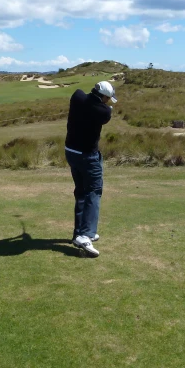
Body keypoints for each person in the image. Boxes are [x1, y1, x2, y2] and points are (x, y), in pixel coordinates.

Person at [65, 81, 117, 257]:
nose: (109, 101)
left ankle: (79, 233)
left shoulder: (77, 96)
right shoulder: (104, 112)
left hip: (70, 151)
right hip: (87, 156)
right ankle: (86, 234)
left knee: (81, 192)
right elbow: (104, 110)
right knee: (94, 191)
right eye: (108, 98)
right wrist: (106, 103)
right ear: (103, 97)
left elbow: (85, 97)